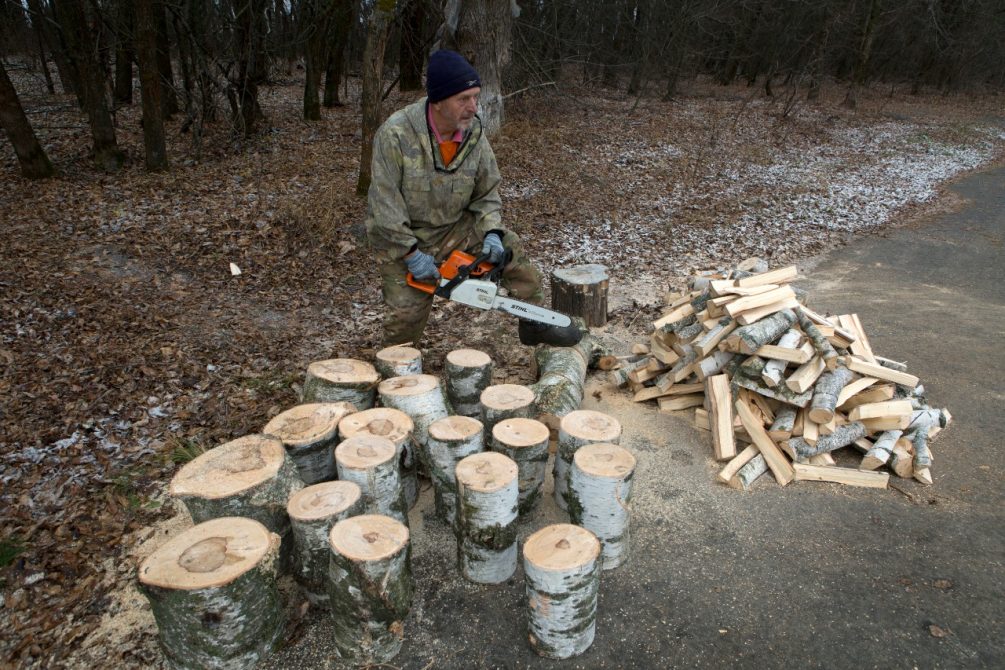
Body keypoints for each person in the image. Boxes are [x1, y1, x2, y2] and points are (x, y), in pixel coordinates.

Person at [365, 49, 581, 347]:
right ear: (439, 101)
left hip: (454, 228)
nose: (473, 106)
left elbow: (487, 191)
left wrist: (491, 231)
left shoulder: (473, 133)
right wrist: (410, 254)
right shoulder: (396, 135)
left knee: (510, 249)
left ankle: (534, 322)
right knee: (403, 324)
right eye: (463, 99)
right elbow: (384, 205)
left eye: (475, 97)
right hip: (404, 240)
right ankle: (396, 374)